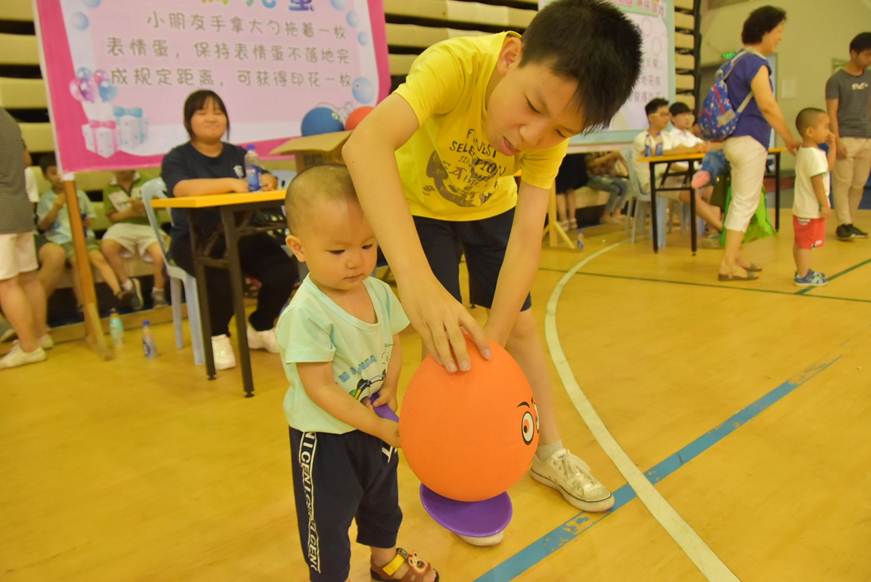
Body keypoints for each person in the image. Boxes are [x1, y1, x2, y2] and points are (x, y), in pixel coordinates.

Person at [343, 0, 643, 533]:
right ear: (511, 56)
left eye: (557, 131)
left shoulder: (552, 133)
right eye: (531, 106)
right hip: (422, 207)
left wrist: (496, 344)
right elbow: (365, 145)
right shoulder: (454, 65)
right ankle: (447, 466)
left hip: (491, 207)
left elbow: (529, 233)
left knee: (518, 327)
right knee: (440, 331)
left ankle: (548, 451)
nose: (532, 136)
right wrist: (414, 280)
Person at [279, 165, 438, 582]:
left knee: (383, 500)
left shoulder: (379, 292)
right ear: (299, 247)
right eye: (337, 251)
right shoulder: (307, 313)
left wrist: (391, 384)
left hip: (374, 425)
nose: (356, 261)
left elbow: (393, 344)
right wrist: (374, 424)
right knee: (327, 523)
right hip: (327, 439)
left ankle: (384, 560)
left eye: (367, 245)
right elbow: (320, 387)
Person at [161, 90, 297, 370]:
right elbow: (181, 188)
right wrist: (230, 183)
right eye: (202, 112)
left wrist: (268, 180)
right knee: (219, 274)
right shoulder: (177, 158)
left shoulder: (239, 154)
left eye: (218, 112)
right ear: (188, 121)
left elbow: (262, 175)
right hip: (193, 238)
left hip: (240, 232)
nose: (211, 118)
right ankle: (218, 335)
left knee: (282, 269)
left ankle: (259, 325)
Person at [718, 6, 800, 281]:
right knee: (744, 202)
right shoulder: (756, 64)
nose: (780, 37)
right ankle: (728, 264)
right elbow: (767, 105)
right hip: (750, 140)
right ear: (765, 31)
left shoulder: (733, 62)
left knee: (740, 202)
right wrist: (789, 138)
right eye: (778, 32)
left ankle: (735, 255)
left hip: (732, 140)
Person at [36, 154, 135, 309]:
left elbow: (90, 216)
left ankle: (119, 292)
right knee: (78, 262)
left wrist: (86, 221)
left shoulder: (80, 194)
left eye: (62, 172)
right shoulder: (46, 199)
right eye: (53, 173)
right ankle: (83, 304)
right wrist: (56, 207)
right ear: (45, 176)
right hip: (63, 240)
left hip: (84, 236)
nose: (59, 177)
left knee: (98, 258)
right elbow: (43, 225)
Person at [0, 107, 49, 368]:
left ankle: (29, 347)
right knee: (29, 278)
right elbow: (26, 159)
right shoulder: (7, 117)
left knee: (6, 284)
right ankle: (40, 336)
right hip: (19, 206)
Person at [633, 98, 723, 232]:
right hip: (654, 181)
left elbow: (680, 151)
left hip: (672, 177)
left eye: (668, 114)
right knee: (690, 193)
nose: (667, 118)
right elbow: (656, 153)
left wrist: (695, 151)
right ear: (651, 118)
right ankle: (722, 228)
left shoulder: (667, 136)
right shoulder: (641, 138)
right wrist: (681, 152)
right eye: (663, 114)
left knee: (710, 188)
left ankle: (714, 230)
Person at [826, 31, 871, 241]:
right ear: (853, 53)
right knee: (842, 183)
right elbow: (832, 113)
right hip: (845, 137)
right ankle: (843, 224)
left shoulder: (869, 77)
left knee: (858, 184)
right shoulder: (836, 80)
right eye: (867, 55)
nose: (870, 60)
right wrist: (836, 140)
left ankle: (849, 222)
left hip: (866, 138)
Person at [101, 170, 168, 309]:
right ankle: (128, 285)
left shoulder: (148, 181)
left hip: (148, 225)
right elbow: (112, 217)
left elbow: (162, 203)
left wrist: (145, 205)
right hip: (122, 226)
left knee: (160, 253)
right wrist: (131, 211)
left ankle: (158, 293)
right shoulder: (109, 187)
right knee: (107, 247)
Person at [792, 108, 835, 287]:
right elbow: (817, 182)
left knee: (801, 242)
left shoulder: (809, 151)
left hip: (804, 208)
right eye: (825, 127)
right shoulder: (813, 155)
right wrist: (824, 204)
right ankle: (803, 275)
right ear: (810, 131)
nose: (828, 132)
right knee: (805, 244)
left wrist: (834, 146)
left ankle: (803, 270)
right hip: (809, 209)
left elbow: (828, 168)